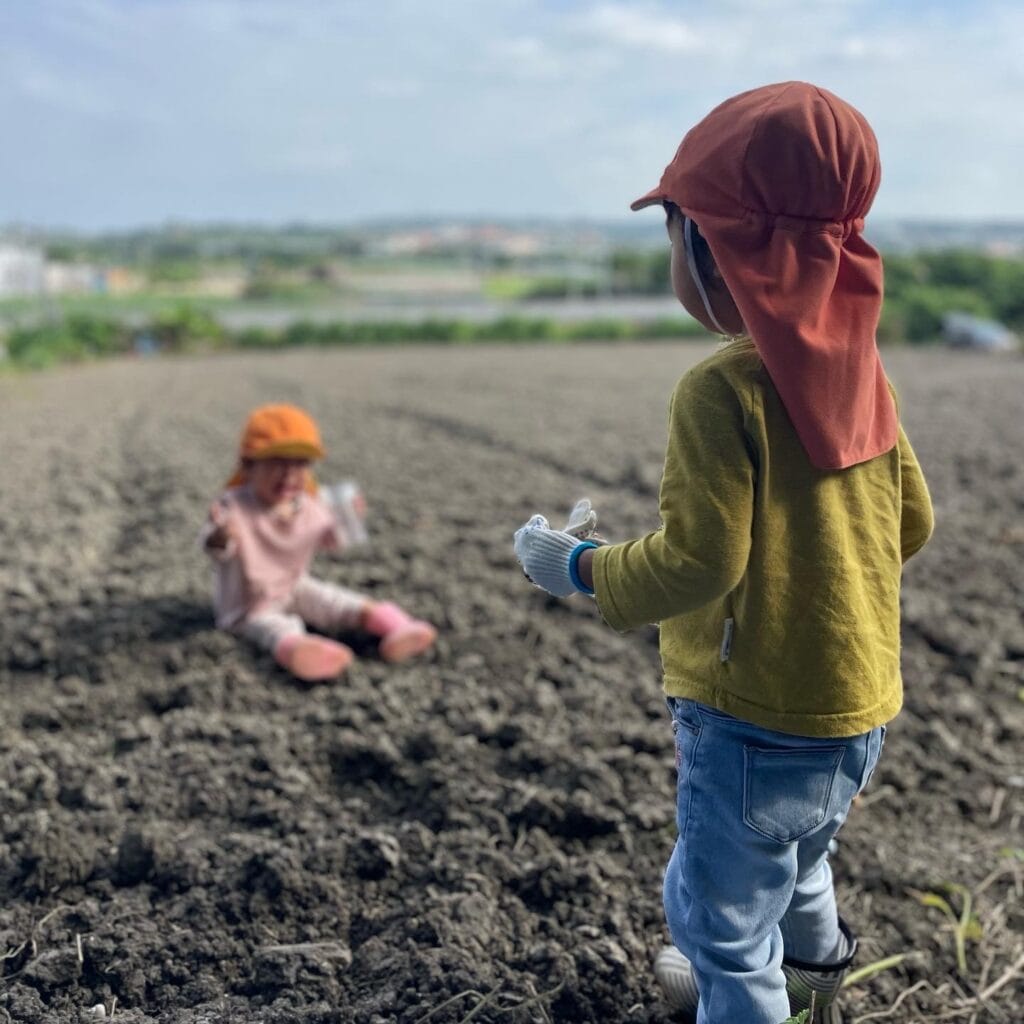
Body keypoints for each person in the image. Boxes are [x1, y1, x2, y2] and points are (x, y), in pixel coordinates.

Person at [512, 81, 933, 1024]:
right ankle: (822, 988)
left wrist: (574, 566)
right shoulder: (865, 374)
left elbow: (700, 565)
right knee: (804, 865)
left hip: (750, 722)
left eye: (676, 228)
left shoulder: (719, 393)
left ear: (716, 247)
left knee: (724, 927)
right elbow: (912, 526)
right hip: (855, 711)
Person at [201, 403, 436, 682]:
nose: (289, 475)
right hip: (249, 604)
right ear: (248, 465)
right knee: (272, 627)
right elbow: (215, 547)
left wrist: (347, 519)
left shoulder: (310, 504)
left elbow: (332, 540)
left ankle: (396, 627)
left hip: (294, 585)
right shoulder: (234, 507)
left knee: (336, 601)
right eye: (277, 463)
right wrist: (222, 536)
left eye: (300, 464)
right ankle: (300, 651)